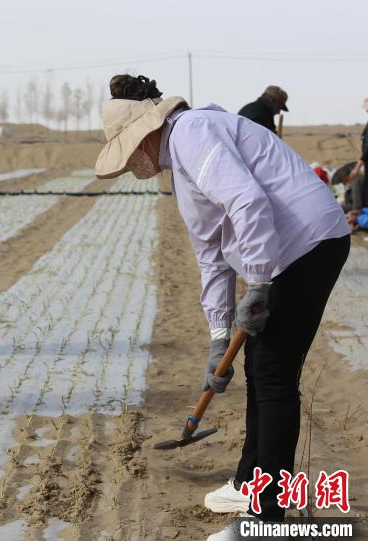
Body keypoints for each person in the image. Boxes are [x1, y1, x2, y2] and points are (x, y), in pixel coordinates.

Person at [96, 74, 350, 541]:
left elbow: (247, 201)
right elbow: (211, 255)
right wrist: (218, 337)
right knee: (256, 366)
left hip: (306, 244)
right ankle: (248, 483)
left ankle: (265, 518)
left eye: (129, 152)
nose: (132, 164)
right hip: (287, 251)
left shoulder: (192, 133)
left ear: (144, 132)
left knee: (273, 375)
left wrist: (258, 282)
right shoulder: (182, 159)